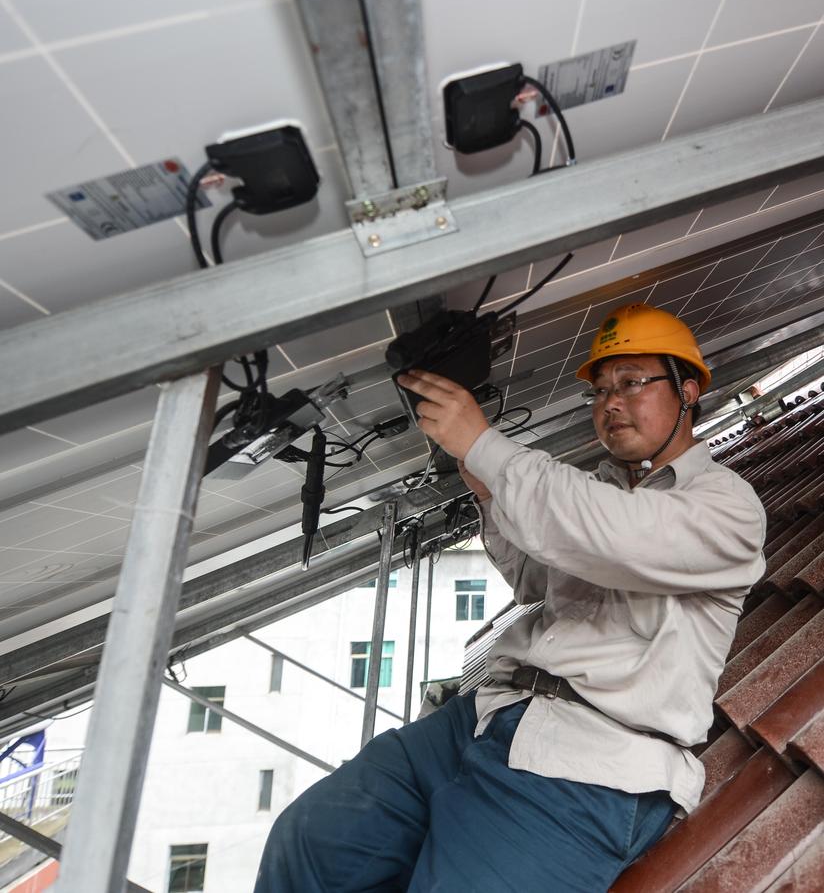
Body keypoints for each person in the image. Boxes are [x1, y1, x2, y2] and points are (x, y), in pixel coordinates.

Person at [253, 303, 766, 892]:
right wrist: (490, 495)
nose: (611, 403)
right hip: (485, 719)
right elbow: (534, 579)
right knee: (310, 841)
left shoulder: (727, 506)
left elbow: (612, 530)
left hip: (590, 765)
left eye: (632, 383)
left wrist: (485, 445)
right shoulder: (597, 494)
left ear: (690, 390)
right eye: (600, 391)